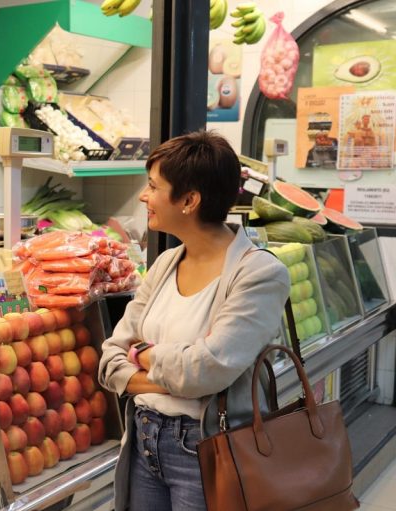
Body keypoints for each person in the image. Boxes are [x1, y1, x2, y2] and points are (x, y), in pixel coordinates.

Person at [98, 130, 290, 511]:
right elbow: (109, 361)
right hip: (143, 439)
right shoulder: (166, 263)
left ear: (189, 200)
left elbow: (207, 370)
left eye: (153, 186)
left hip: (205, 447)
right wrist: (179, 378)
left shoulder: (259, 274)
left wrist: (143, 355)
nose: (143, 196)